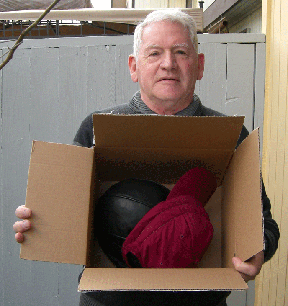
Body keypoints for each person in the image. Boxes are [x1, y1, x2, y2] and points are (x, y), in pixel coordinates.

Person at [13, 9, 279, 306]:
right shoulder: (96, 129)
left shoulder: (232, 136)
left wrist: (260, 247)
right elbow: (68, 213)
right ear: (134, 67)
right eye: (154, 54)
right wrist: (40, 222)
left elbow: (265, 222)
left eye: (180, 52)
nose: (168, 64)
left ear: (200, 65)